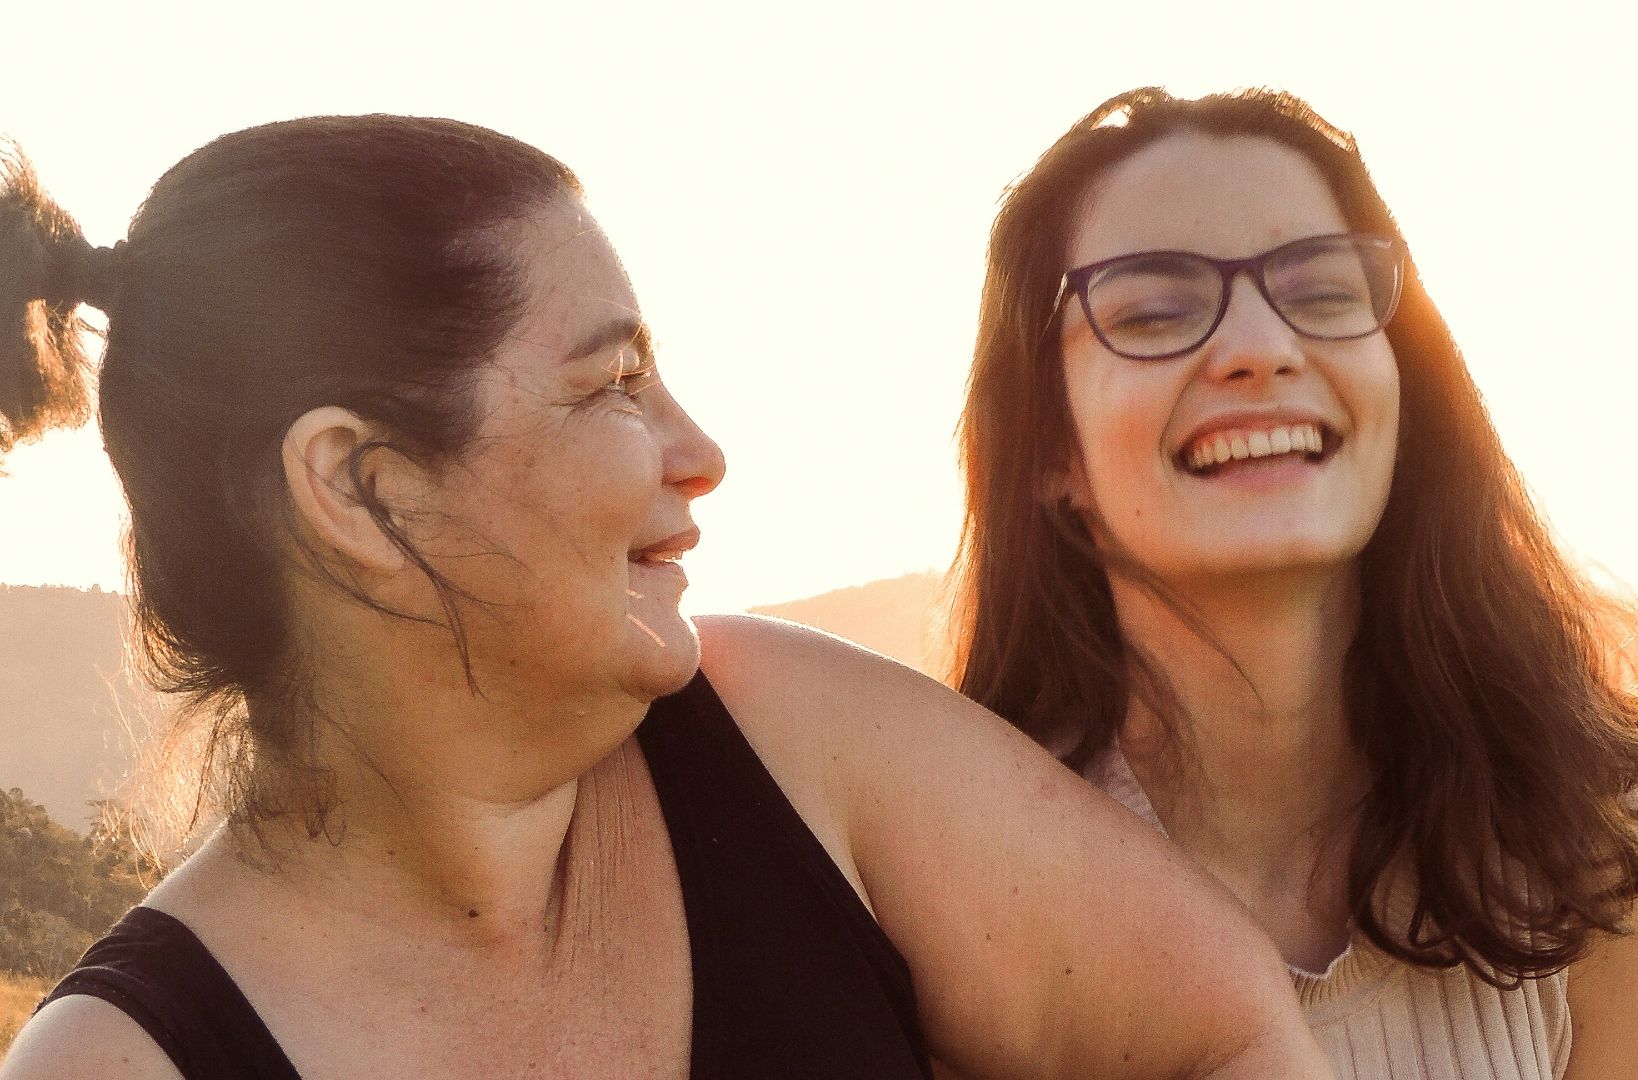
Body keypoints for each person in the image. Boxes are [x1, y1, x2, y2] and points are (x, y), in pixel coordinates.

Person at [0, 116, 1333, 1079]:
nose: (700, 452)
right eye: (612, 385)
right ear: (363, 492)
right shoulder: (125, 1065)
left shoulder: (794, 738)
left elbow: (1234, 1038)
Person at [946, 87, 1638, 1080]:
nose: (1261, 350)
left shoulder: (1590, 850)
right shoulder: (960, 896)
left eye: (1323, 291)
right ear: (1052, 449)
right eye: (1155, 308)